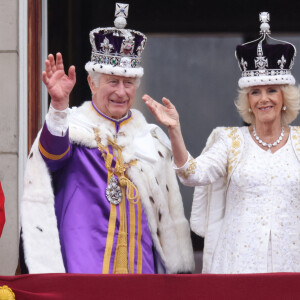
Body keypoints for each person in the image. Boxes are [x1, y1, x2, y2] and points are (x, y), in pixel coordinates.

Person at [20, 3, 194, 274]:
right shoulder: (74, 129)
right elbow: (51, 156)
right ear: (92, 84)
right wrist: (58, 107)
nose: (121, 92)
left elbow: (168, 216)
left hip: (141, 269)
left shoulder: (150, 139)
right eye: (112, 82)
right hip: (83, 266)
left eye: (128, 83)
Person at [143, 12, 300, 274]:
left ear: (284, 97)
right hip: (238, 262)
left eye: (272, 90)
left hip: (292, 260)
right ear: (248, 100)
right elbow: (191, 174)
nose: (264, 99)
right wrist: (175, 130)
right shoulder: (231, 141)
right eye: (255, 92)